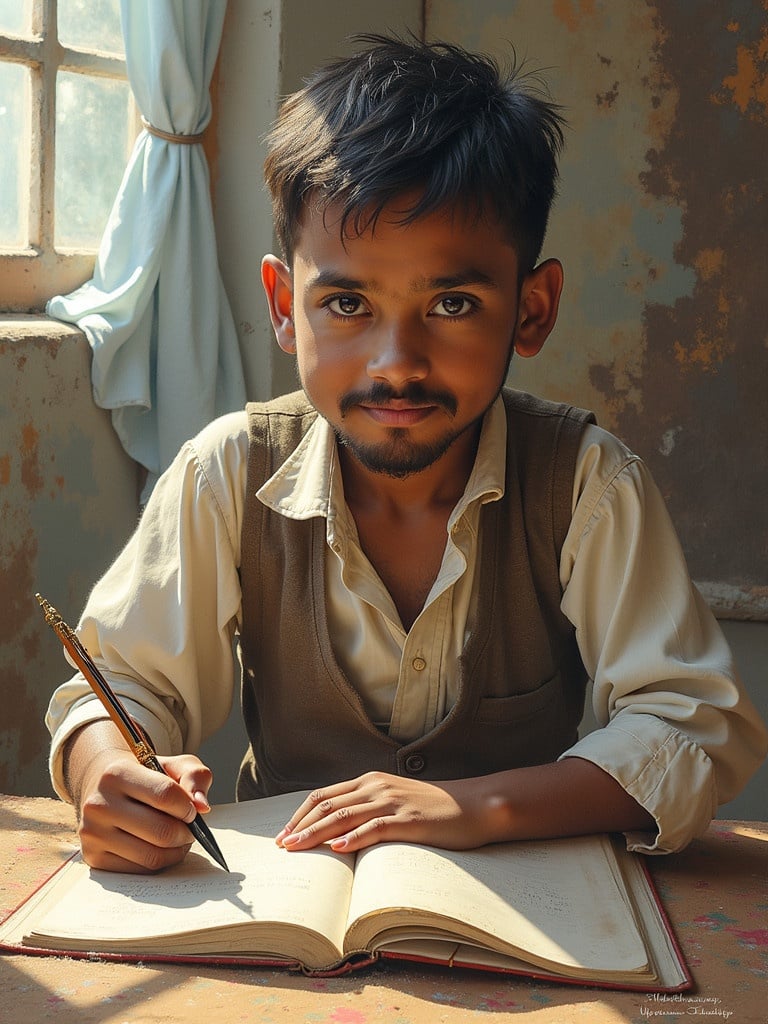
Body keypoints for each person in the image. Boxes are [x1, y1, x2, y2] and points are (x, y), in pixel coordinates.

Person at [47, 35, 766, 874]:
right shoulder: (228, 472)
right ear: (284, 307)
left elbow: (690, 724)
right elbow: (122, 687)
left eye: (453, 302)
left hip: (534, 904)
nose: (396, 362)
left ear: (532, 311)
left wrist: (477, 807)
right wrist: (107, 770)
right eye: (346, 301)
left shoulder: (585, 483)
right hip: (288, 907)